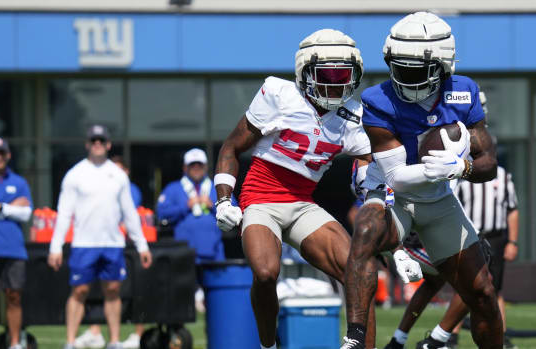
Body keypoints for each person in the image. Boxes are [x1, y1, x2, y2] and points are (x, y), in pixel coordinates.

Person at [342, 12, 502, 349]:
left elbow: (488, 164)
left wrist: (462, 169)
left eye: (416, 69)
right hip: (391, 193)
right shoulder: (378, 99)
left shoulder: (464, 92)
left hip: (438, 197)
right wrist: (440, 168)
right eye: (399, 67)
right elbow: (397, 177)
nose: (405, 78)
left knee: (483, 292)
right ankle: (355, 336)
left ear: (443, 65)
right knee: (366, 231)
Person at [212, 29, 379, 349]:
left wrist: (368, 182)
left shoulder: (352, 114)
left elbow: (368, 161)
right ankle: (268, 345)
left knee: (360, 270)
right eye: (328, 74)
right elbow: (231, 148)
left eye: (344, 74)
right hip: (260, 198)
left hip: (303, 202)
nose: (337, 82)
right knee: (265, 272)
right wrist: (223, 200)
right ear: (306, 72)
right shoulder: (278, 93)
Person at [381, 91, 520, 349]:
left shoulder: (467, 137)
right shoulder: (437, 132)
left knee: (442, 280)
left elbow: (484, 168)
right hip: (415, 229)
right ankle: (438, 337)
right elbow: (392, 181)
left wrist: (464, 167)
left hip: (434, 224)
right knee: (478, 275)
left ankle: (402, 339)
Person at [48, 125, 153, 349]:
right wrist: (55, 246)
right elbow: (64, 212)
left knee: (113, 290)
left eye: (101, 140)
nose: (97, 144)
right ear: (87, 144)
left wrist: (142, 245)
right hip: (83, 244)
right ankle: (70, 342)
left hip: (112, 244)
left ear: (107, 144)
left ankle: (114, 341)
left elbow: (129, 213)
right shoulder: (75, 174)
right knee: (79, 291)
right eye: (93, 140)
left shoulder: (118, 176)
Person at [74, 155, 145, 349]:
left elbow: (127, 214)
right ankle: (95, 332)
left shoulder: (130, 189)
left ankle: (121, 338)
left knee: (120, 291)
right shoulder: (98, 185)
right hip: (99, 244)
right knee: (93, 289)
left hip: (123, 245)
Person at [0, 137, 33, 349]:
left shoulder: (19, 182)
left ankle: (15, 344)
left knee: (14, 296)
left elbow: (26, 214)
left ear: (8, 155)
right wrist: (10, 208)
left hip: (14, 249)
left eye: (2, 153)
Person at [156, 147, 225, 264]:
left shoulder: (218, 187)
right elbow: (161, 213)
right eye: (192, 165)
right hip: (183, 254)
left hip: (214, 253)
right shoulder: (173, 188)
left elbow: (234, 210)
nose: (196, 168)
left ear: (206, 167)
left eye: (200, 165)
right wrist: (185, 206)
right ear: (185, 168)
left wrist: (213, 205)